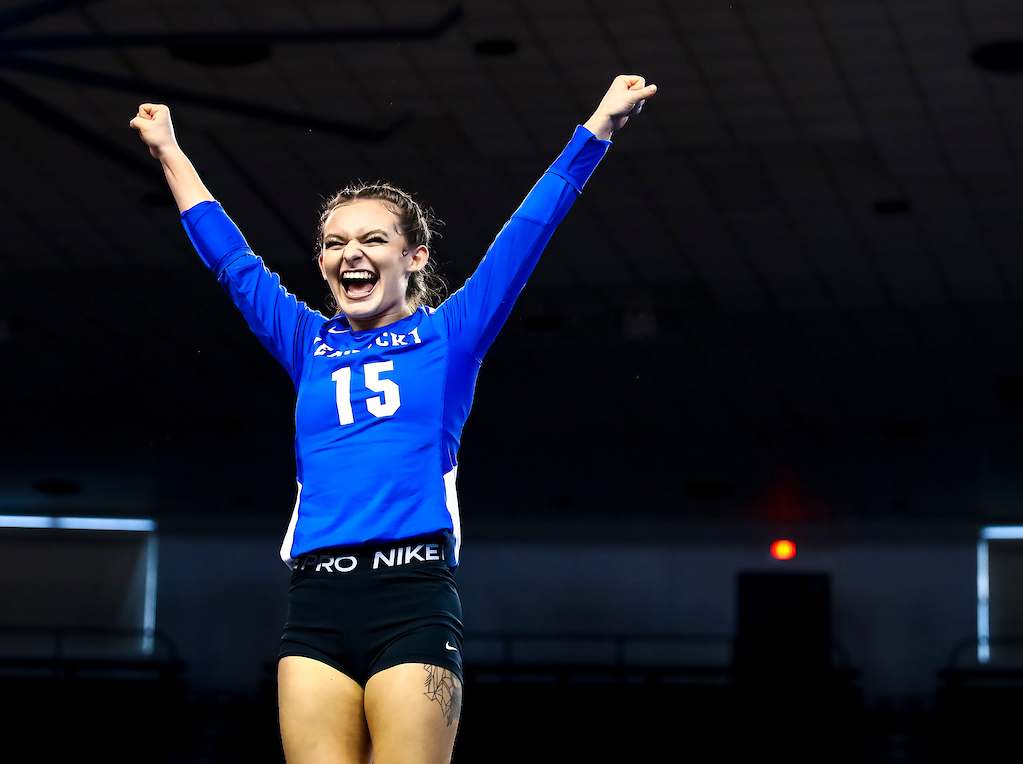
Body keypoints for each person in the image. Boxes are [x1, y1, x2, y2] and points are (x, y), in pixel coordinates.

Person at [130, 74, 656, 764]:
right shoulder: (306, 343)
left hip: (412, 599)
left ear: (414, 257)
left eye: (373, 239)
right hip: (316, 602)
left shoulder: (450, 337)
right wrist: (169, 150)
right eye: (334, 242)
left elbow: (526, 234)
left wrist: (599, 129)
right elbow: (234, 263)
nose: (350, 253)